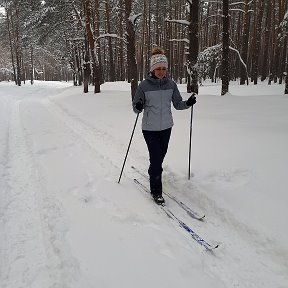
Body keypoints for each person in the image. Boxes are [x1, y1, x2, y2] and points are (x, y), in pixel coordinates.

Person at [132, 47, 197, 205]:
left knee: (159, 158)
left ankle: (153, 171)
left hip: (167, 127)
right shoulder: (144, 86)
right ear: (152, 69)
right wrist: (139, 106)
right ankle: (156, 191)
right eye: (158, 69)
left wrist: (187, 103)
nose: (161, 72)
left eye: (164, 69)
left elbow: (177, 104)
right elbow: (135, 107)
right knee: (156, 160)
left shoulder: (171, 85)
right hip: (149, 129)